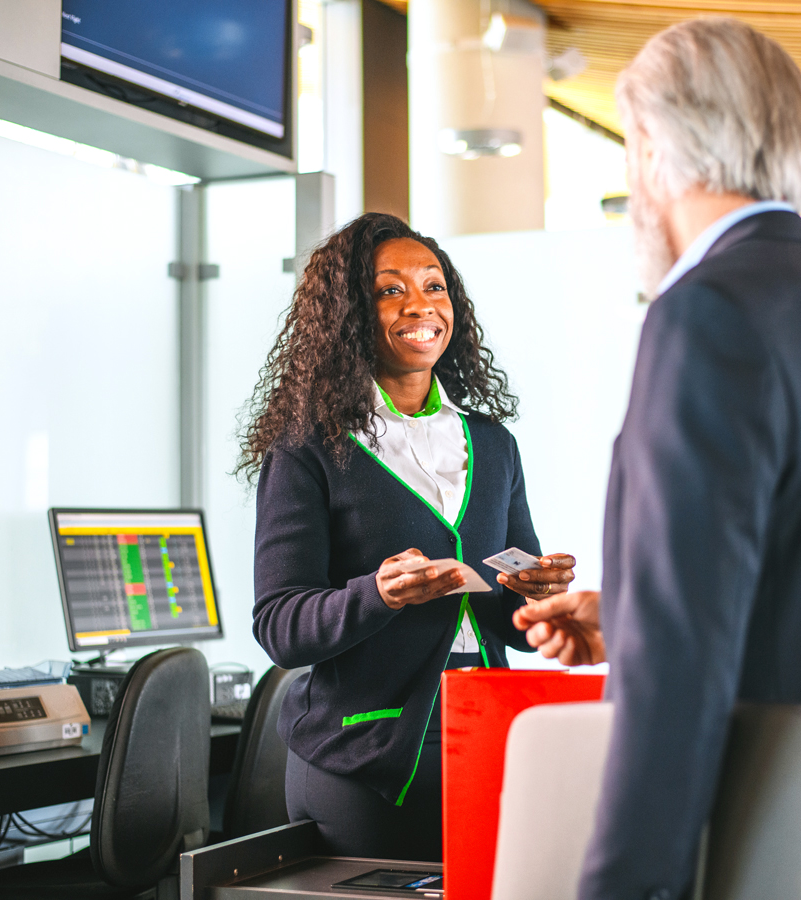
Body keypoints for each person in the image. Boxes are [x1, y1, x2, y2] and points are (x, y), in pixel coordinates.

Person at [515, 17, 801, 900]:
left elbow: (677, 676)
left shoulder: (704, 317)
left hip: (759, 850)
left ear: (665, 151)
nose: (633, 181)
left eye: (631, 150)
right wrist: (625, 609)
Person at [241, 212, 575, 862]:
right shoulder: (309, 450)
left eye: (434, 286)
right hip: (368, 754)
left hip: (485, 731)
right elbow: (280, 626)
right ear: (349, 314)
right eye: (391, 290)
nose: (420, 305)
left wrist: (532, 592)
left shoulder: (493, 445)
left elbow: (507, 619)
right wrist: (379, 593)